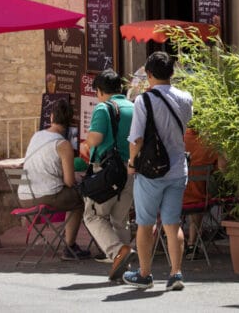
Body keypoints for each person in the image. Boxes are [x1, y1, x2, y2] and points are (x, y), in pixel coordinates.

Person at [122, 51, 193, 291]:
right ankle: (176, 273)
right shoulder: (186, 98)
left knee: (145, 223)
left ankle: (144, 274)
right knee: (172, 224)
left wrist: (132, 162)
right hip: (177, 169)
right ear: (172, 73)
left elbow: (137, 139)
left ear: (149, 74)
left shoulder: (144, 100)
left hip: (151, 171)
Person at [19, 97, 91, 260]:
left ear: (51, 117)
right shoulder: (62, 144)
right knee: (79, 201)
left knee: (70, 196)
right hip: (45, 197)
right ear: (70, 122)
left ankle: (69, 245)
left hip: (24, 196)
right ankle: (70, 247)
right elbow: (69, 182)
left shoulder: (36, 136)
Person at [80, 69, 135, 280]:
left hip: (108, 170)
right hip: (130, 168)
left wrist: (86, 144)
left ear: (100, 91)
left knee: (93, 215)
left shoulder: (103, 108)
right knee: (120, 219)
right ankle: (126, 270)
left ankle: (117, 252)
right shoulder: (133, 107)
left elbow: (96, 136)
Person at [183, 127, 226, 257]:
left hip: (172, 200)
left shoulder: (175, 139)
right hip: (198, 201)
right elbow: (223, 169)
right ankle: (192, 245)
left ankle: (169, 241)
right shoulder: (208, 144)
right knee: (197, 197)